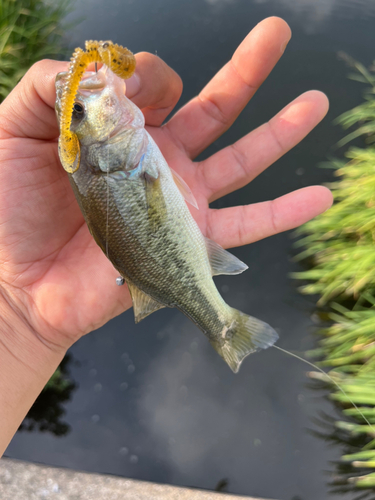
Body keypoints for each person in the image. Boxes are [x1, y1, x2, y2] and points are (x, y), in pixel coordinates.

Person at [0, 17, 332, 457]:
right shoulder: (113, 162)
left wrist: (17, 315)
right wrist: (15, 309)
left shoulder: (117, 157)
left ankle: (223, 325)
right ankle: (223, 324)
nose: (82, 107)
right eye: (78, 114)